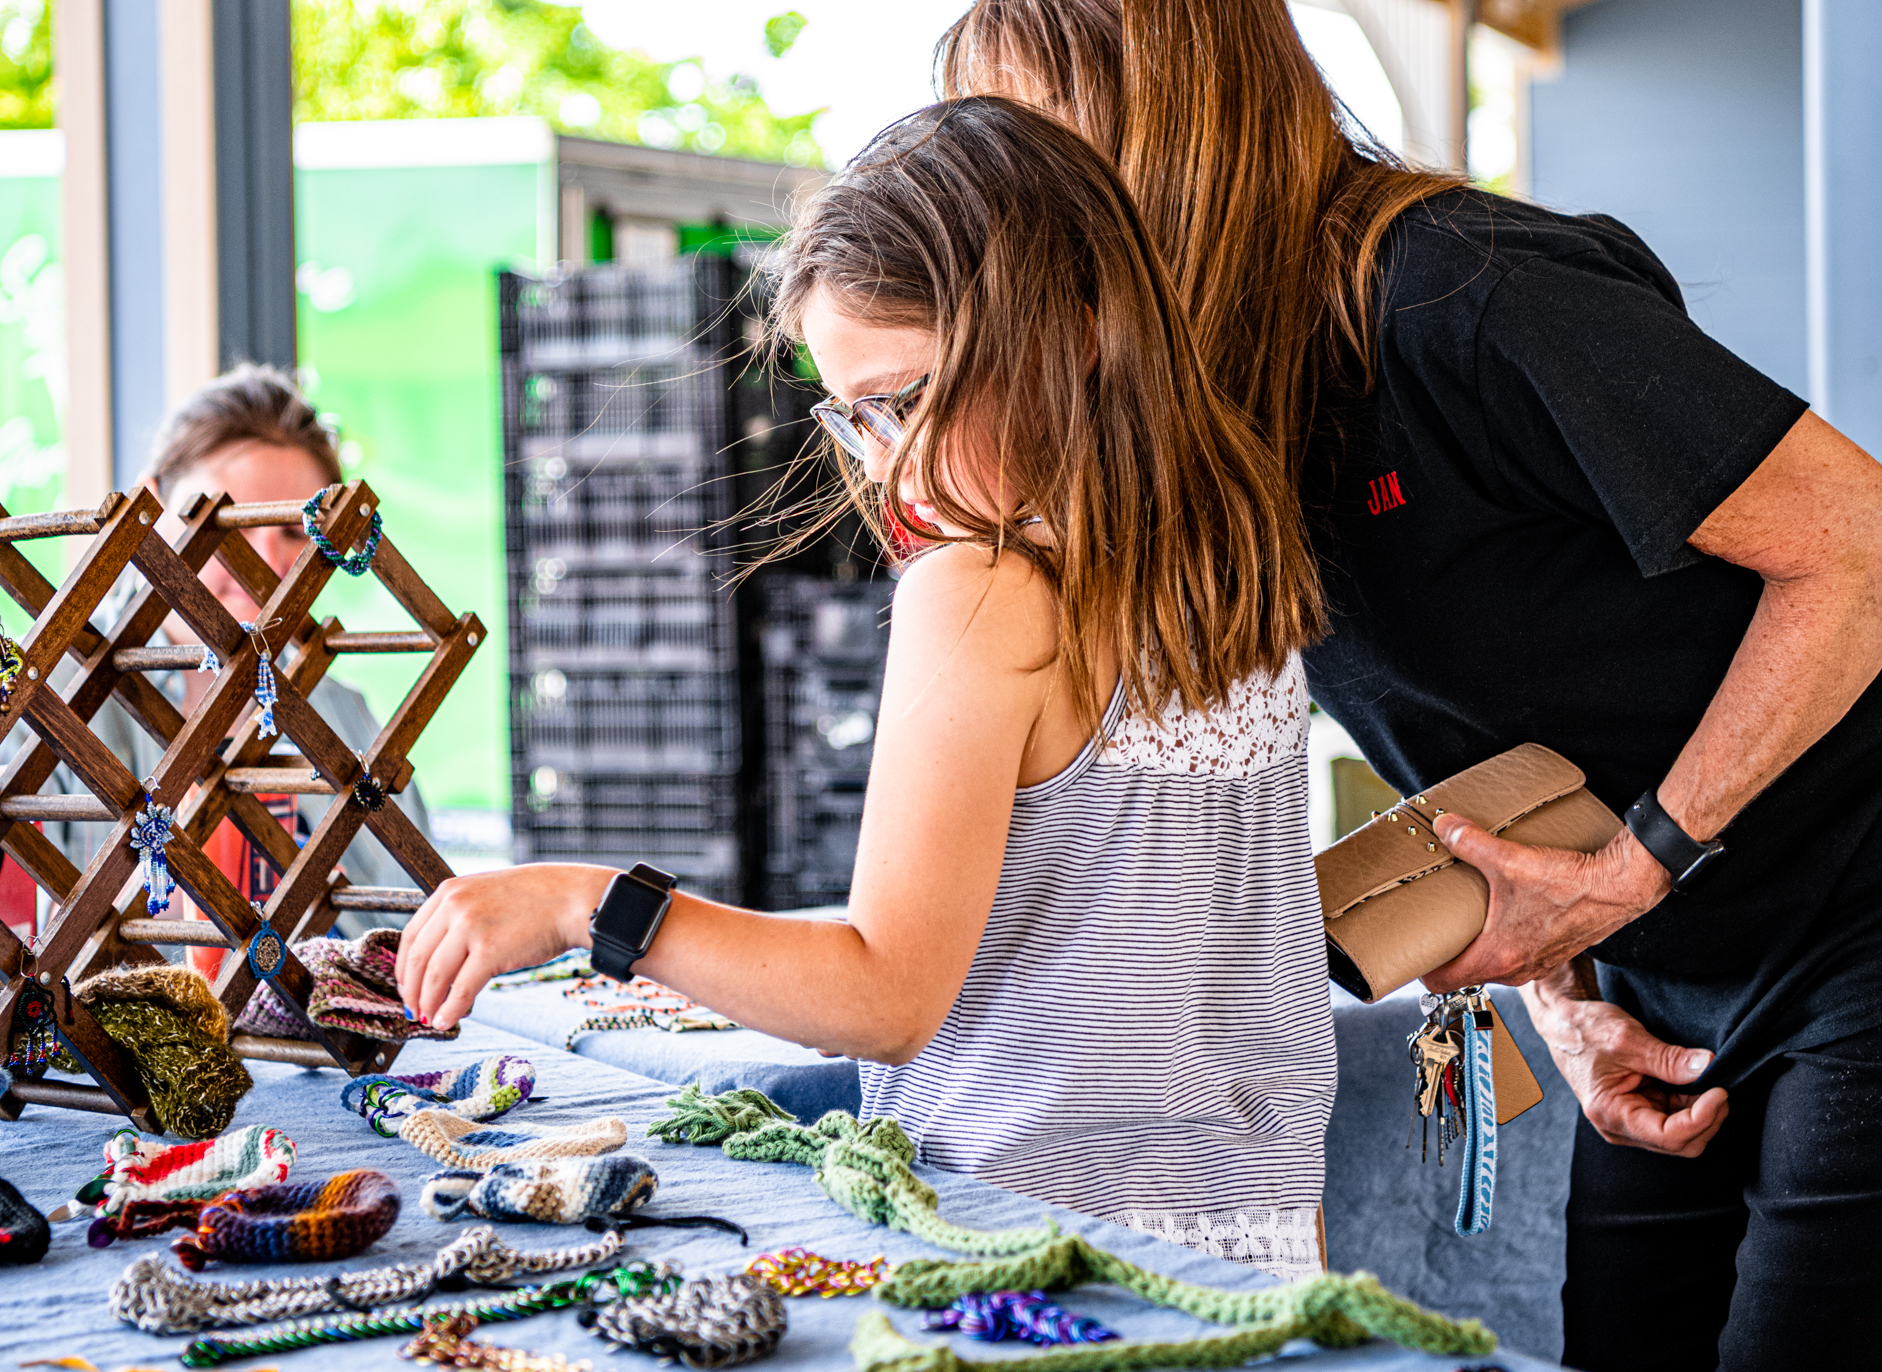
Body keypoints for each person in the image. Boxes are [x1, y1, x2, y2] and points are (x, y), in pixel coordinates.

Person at [937, 3, 1882, 1368]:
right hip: (1670, 966)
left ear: (1170, 123)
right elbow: (1507, 724)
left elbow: (1876, 552)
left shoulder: (1463, 288)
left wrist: (1634, 873)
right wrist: (1570, 994)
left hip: (1881, 904)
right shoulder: (1226, 403)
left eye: (1036, 153)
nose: (1010, 207)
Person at [398, 96, 1336, 1280]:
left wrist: (588, 904)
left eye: (905, 397)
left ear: (1077, 325)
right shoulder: (1233, 542)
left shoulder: (983, 588)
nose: (885, 458)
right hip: (1255, 1239)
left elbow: (887, 990)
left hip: (1029, 1246)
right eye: (851, 416)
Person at [25, 365, 431, 957]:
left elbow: (413, 923)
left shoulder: (339, 714)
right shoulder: (51, 697)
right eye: (228, 520)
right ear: (153, 506)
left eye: (296, 532)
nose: (264, 560)